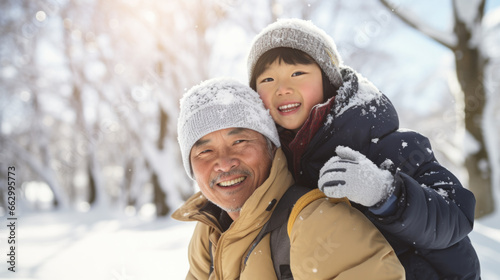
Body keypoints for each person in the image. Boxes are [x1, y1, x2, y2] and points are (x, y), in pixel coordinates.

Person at [247, 18, 480, 279]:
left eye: (297, 73)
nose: (282, 88)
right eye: (267, 79)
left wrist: (385, 192)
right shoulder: (271, 162)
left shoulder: (385, 144)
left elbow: (456, 216)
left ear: (328, 80)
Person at [172, 78, 405, 279]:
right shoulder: (209, 232)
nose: (224, 162)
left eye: (239, 142)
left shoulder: (316, 224)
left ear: (271, 147)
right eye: (205, 151)